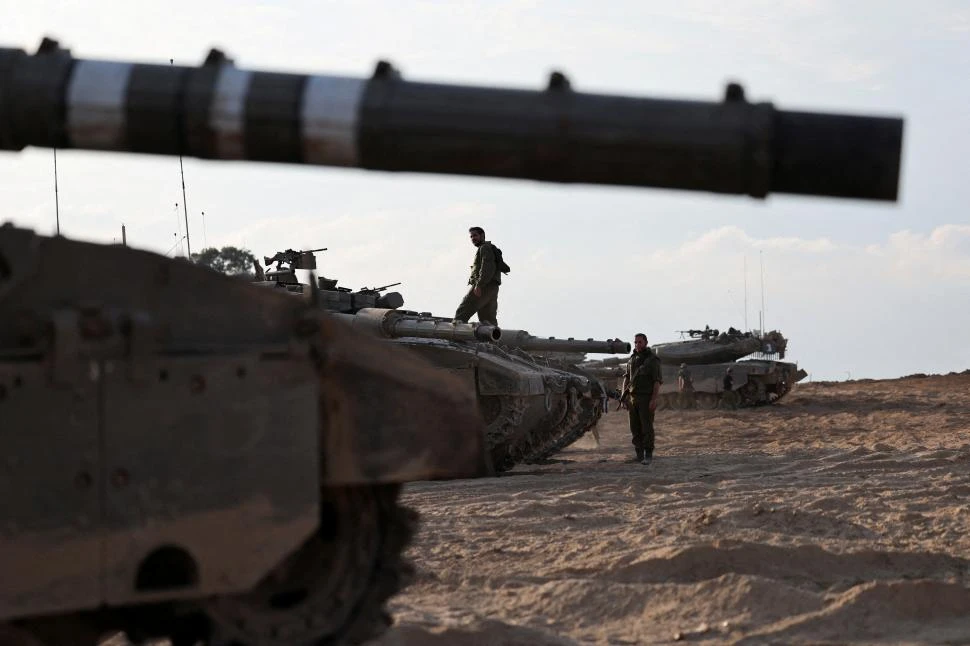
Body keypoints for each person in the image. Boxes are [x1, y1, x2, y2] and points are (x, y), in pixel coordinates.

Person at [620, 333, 663, 465]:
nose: (637, 344)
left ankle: (648, 455)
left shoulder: (652, 360)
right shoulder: (632, 359)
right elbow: (626, 378)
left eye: (640, 342)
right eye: (635, 342)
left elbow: (656, 381)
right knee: (634, 428)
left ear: (645, 342)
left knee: (647, 427)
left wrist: (654, 399)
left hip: (645, 397)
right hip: (632, 398)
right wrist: (623, 397)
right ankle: (639, 455)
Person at [454, 226, 501, 326]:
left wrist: (479, 284)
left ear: (482, 235)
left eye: (475, 235)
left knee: (461, 314)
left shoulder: (485, 248)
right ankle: (490, 341)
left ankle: (457, 339)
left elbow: (487, 267)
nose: (473, 238)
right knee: (488, 321)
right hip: (492, 287)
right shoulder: (488, 248)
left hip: (484, 286)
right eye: (471, 237)